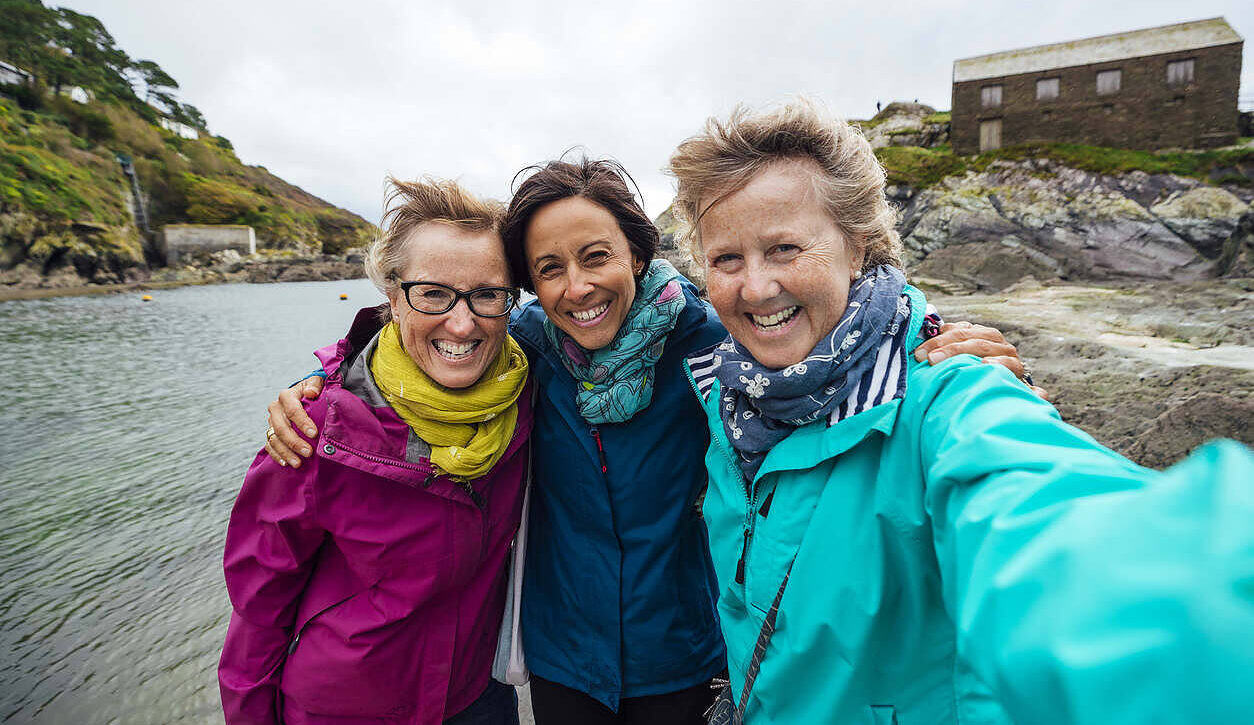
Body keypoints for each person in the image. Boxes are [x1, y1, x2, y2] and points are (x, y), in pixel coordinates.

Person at [264, 159, 1034, 724]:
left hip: (683, 655)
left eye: (596, 256)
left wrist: (929, 336)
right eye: (549, 269)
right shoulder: (527, 346)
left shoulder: (709, 339)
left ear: (637, 252)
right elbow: (420, 345)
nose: (578, 286)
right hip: (563, 656)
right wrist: (320, 383)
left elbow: (826, 339)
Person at [666, 100, 1254, 724]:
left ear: (858, 248)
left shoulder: (949, 392)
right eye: (727, 259)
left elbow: (1048, 523)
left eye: (785, 248)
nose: (755, 288)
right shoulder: (727, 396)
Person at [220, 178, 533, 725]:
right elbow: (258, 609)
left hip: (476, 700)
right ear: (392, 297)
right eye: (432, 293)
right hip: (344, 709)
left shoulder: (525, 392)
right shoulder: (315, 430)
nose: (462, 322)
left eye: (486, 293)